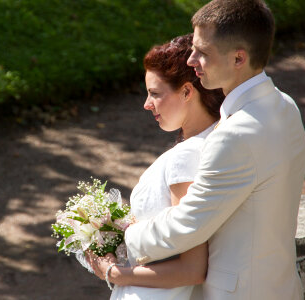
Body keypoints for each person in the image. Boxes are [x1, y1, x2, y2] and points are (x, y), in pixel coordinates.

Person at [122, 0, 305, 299]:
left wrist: (125, 235)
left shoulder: (235, 135)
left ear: (238, 58)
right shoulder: (285, 105)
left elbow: (188, 224)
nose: (192, 61)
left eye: (203, 53)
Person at [87, 34, 225, 299]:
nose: (146, 104)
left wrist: (112, 272)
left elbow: (192, 268)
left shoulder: (186, 155)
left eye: (155, 94)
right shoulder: (215, 140)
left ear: (187, 91)